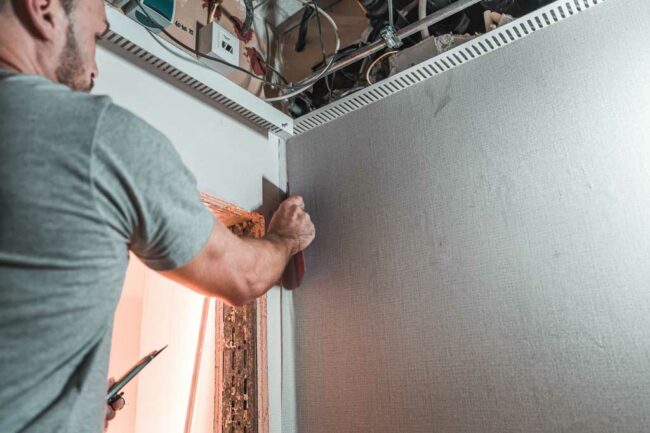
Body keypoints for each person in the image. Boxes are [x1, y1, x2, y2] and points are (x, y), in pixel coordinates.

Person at [0, 0, 316, 432]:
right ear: (42, 8)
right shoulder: (99, 138)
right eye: (95, 36)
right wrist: (284, 240)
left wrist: (78, 405)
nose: (94, 70)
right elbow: (241, 278)